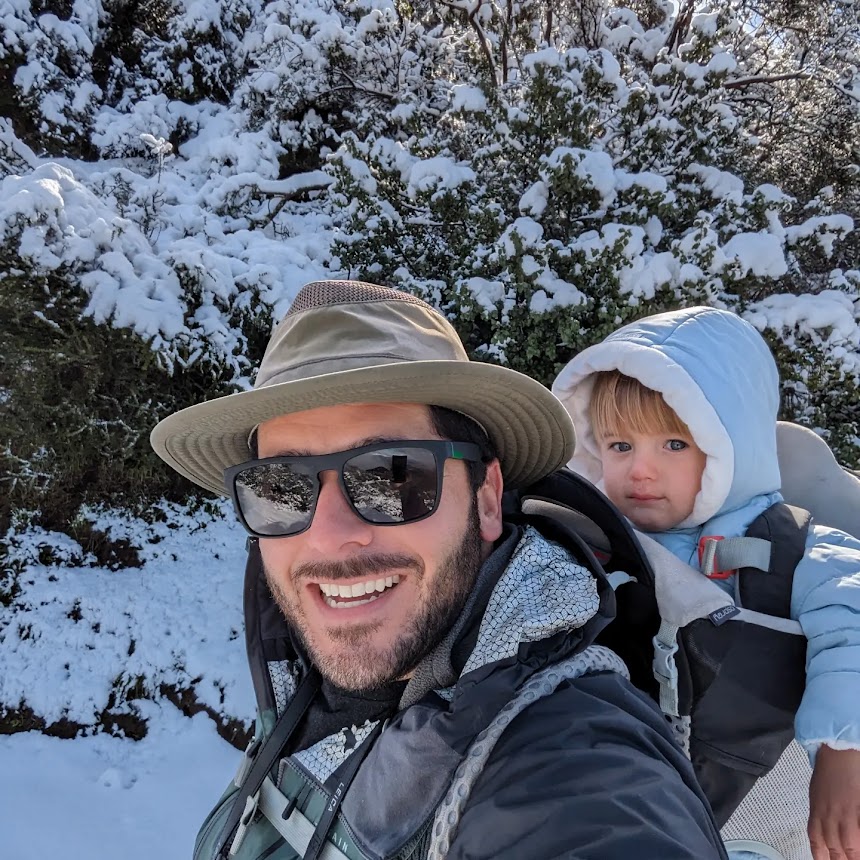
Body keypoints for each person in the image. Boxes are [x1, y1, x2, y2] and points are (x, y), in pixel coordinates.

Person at [151, 281, 727, 860]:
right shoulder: (301, 680)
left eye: (391, 476)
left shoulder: (577, 770)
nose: (326, 536)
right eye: (281, 488)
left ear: (486, 498)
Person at [551, 305, 860, 860]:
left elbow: (852, 631)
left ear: (733, 447)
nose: (640, 470)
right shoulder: (584, 538)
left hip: (759, 808)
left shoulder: (798, 548)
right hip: (620, 800)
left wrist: (845, 753)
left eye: (673, 444)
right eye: (620, 446)